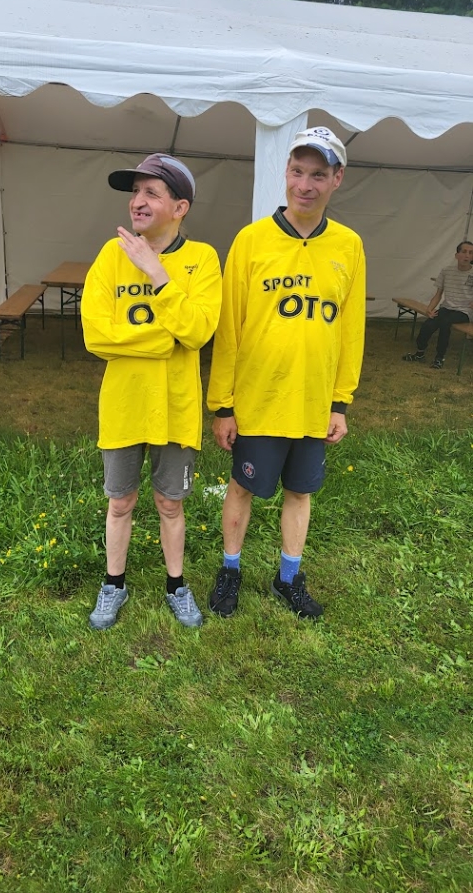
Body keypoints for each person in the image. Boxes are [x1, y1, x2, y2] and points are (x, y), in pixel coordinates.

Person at [206, 126, 366, 620]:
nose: (305, 185)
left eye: (318, 175)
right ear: (286, 173)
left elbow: (351, 329)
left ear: (337, 179)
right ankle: (230, 570)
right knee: (242, 487)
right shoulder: (251, 241)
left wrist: (340, 402)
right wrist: (223, 405)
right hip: (258, 399)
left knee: (301, 491)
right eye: (297, 172)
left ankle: (288, 577)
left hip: (313, 401)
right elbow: (229, 328)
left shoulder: (349, 246)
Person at [81, 153, 222, 630]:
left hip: (176, 407)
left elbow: (199, 331)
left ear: (180, 208)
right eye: (135, 192)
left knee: (170, 504)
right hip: (123, 405)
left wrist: (157, 272)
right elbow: (96, 335)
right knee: (120, 502)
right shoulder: (110, 254)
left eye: (151, 193)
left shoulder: (202, 259)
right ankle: (113, 584)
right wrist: (164, 342)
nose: (137, 201)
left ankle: (176, 586)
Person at [402, 241, 473, 369]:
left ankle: (439, 358)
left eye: (470, 253)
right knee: (429, 323)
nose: (467, 255)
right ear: (457, 255)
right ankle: (420, 353)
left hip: (464, 311)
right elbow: (438, 294)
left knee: (445, 323)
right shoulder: (446, 271)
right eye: (464, 252)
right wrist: (429, 309)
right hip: (446, 308)